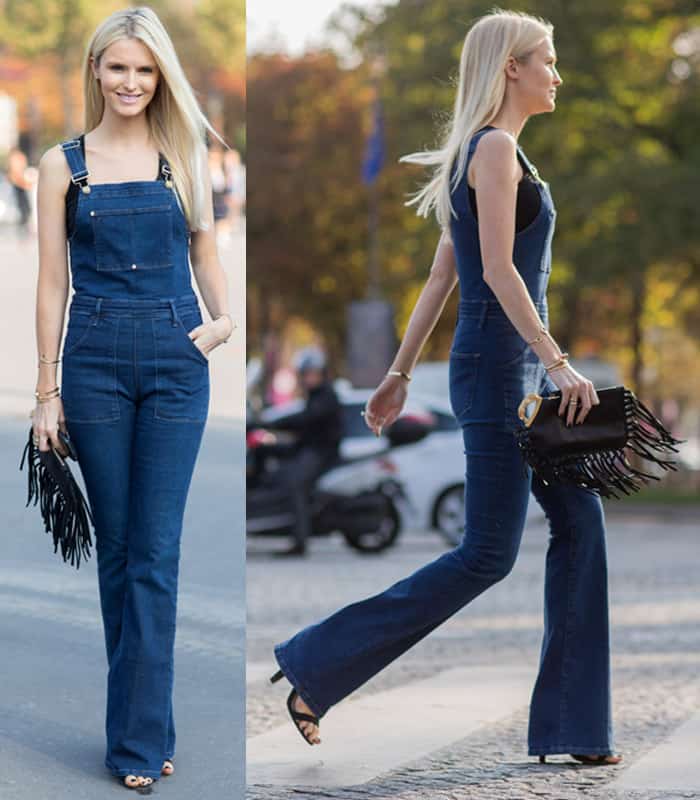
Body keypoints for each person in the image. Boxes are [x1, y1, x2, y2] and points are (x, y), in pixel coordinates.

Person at [270, 9, 623, 767]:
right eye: (548, 61)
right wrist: (557, 360)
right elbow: (491, 272)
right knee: (486, 554)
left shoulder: (495, 153)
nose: (558, 74)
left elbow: (442, 274)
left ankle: (574, 728)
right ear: (511, 70)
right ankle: (314, 665)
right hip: (504, 372)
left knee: (582, 527)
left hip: (513, 371)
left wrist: (397, 374)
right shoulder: (493, 150)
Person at [31, 7, 235, 792]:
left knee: (154, 554)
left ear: (161, 78)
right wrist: (45, 391)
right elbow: (52, 281)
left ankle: (138, 745)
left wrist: (221, 323)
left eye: (145, 70)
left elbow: (204, 246)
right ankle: (140, 728)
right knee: (117, 556)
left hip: (179, 360)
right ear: (95, 70)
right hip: (93, 363)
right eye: (118, 67)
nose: (130, 82)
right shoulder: (63, 165)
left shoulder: (182, 151)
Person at [256, 346, 343, 556]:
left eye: (312, 373)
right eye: (305, 374)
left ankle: (300, 541)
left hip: (321, 452)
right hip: (308, 447)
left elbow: (305, 419)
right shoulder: (313, 395)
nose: (308, 378)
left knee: (296, 484)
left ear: (321, 373)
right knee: (266, 451)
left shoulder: (327, 396)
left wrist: (272, 421)